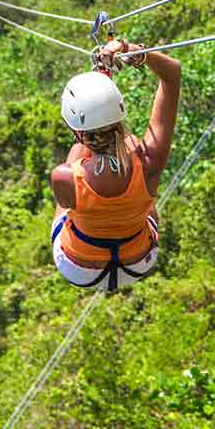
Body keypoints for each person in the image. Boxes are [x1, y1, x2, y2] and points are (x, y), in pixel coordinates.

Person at [50, 40, 181, 290]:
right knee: (134, 156)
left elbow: (82, 155)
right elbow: (172, 73)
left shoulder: (64, 176)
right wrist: (132, 50)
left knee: (73, 183)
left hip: (80, 268)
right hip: (138, 261)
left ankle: (98, 99)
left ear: (75, 129)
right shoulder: (148, 160)